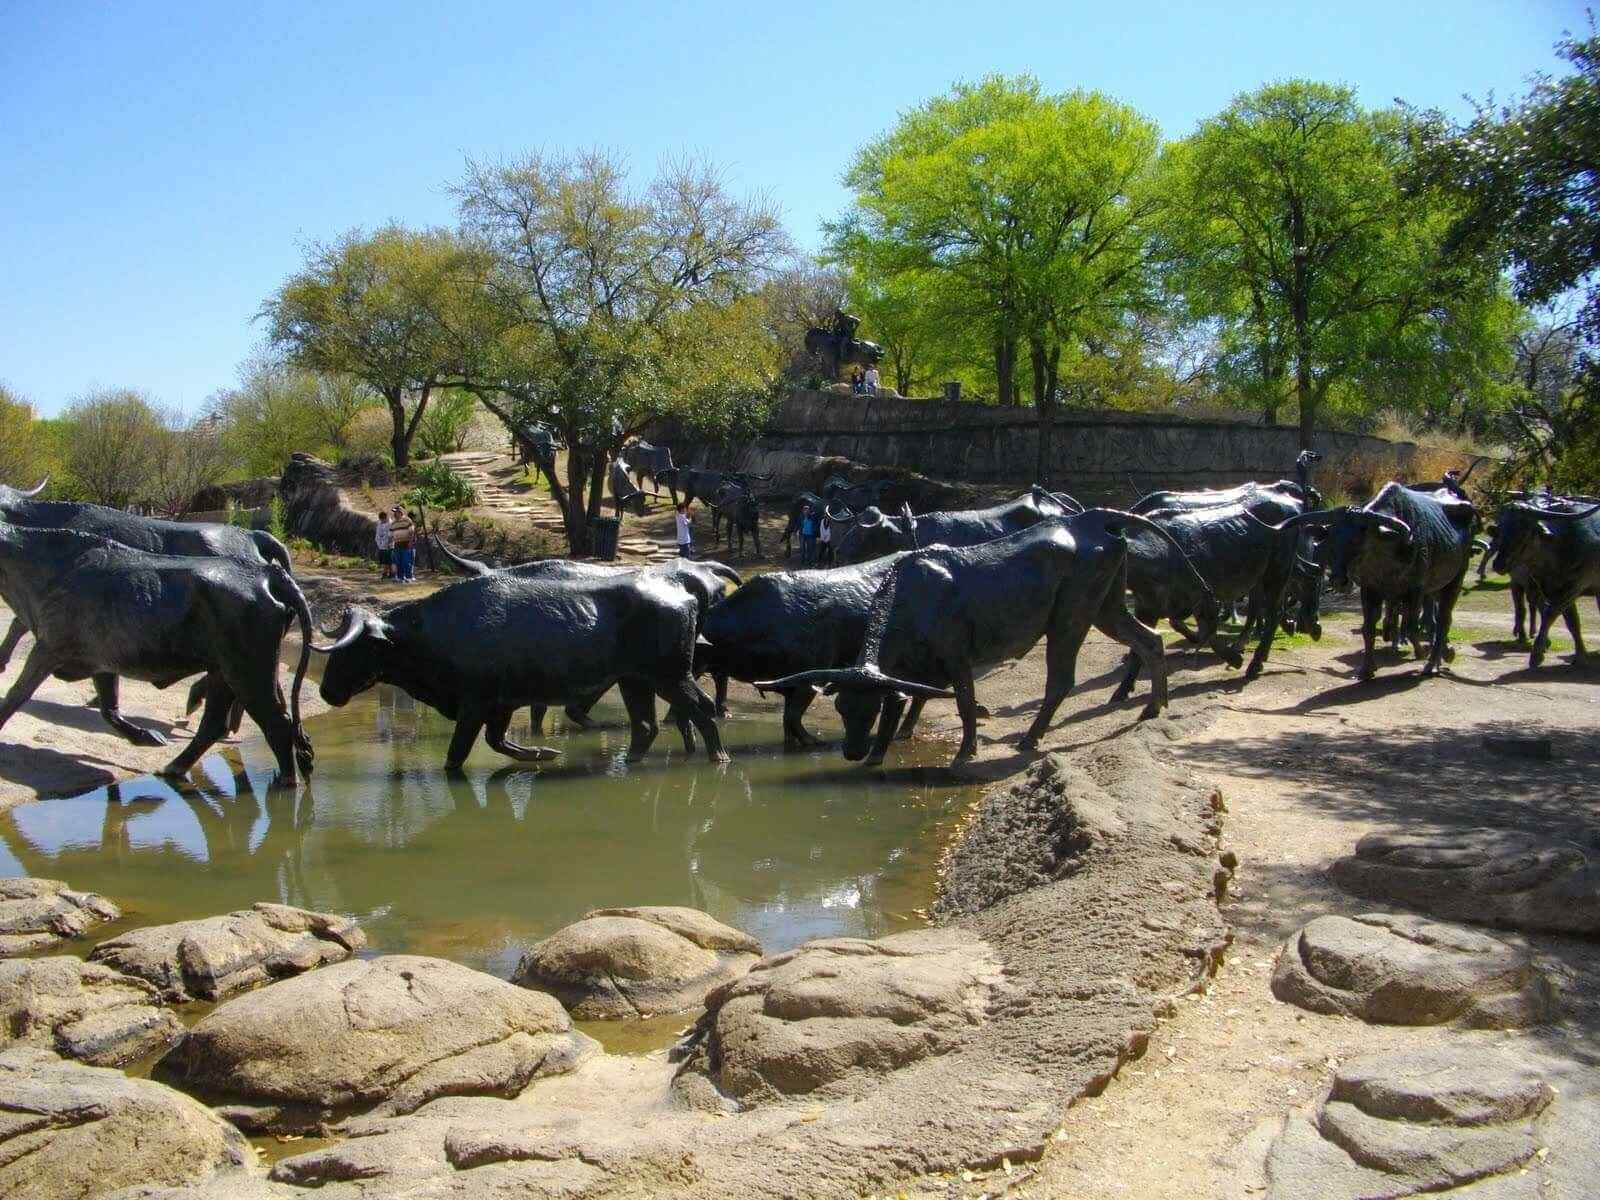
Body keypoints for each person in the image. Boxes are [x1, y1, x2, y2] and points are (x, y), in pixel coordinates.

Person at [389, 505, 416, 582]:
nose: (394, 514)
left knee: (406, 561)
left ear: (400, 512)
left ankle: (409, 577)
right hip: (397, 544)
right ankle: (401, 578)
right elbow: (390, 535)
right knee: (398, 561)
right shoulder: (393, 523)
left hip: (406, 543)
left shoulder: (407, 520)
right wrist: (390, 544)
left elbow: (412, 532)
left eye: (396, 512)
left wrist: (411, 542)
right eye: (394, 512)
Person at [375, 509, 393, 579]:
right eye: (381, 519)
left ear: (387, 517)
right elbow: (377, 535)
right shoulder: (379, 524)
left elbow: (391, 535)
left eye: (384, 519)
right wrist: (379, 543)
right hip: (381, 546)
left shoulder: (391, 524)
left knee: (390, 561)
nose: (382, 520)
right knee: (384, 561)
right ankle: (385, 573)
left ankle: (390, 573)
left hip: (390, 546)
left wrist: (389, 543)